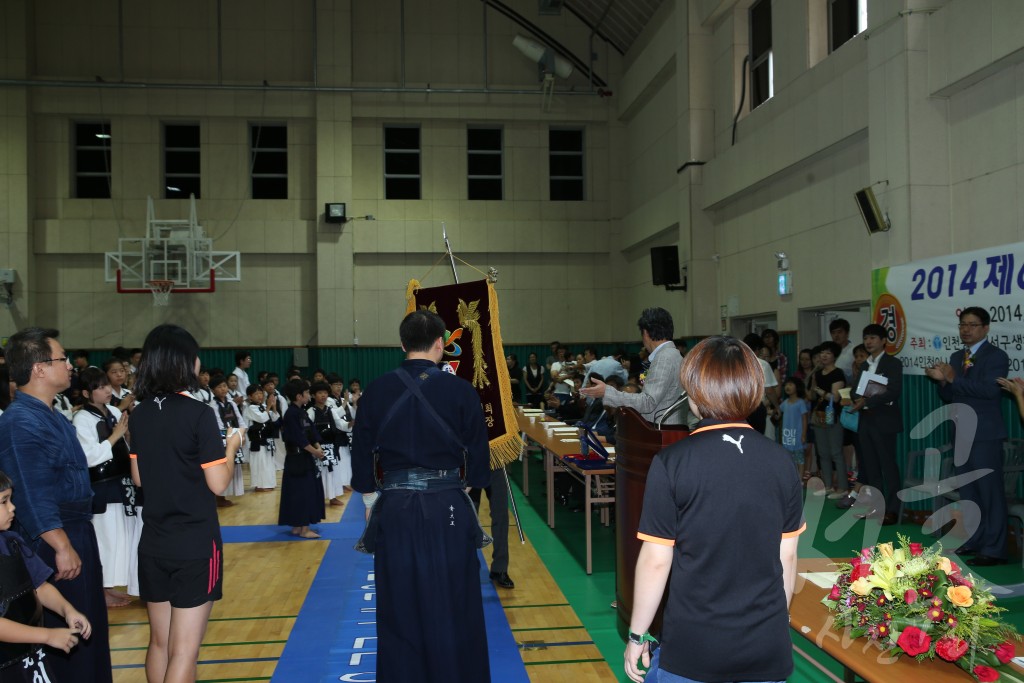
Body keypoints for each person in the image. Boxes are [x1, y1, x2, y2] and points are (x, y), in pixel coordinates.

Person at [624, 336, 803, 683]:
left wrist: (636, 635)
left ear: (695, 392)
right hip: (766, 645)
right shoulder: (781, 462)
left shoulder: (672, 462)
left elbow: (657, 559)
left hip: (695, 646)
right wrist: (773, 626)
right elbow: (788, 558)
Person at [352, 310, 491, 683]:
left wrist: (369, 503)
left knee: (400, 604)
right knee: (455, 601)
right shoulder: (461, 390)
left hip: (394, 507)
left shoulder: (376, 390)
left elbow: (361, 452)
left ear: (402, 345)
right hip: (447, 504)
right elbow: (479, 460)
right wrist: (460, 489)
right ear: (441, 345)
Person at [129, 324, 242, 683]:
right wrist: (232, 447)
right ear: (183, 362)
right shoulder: (198, 413)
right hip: (194, 544)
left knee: (160, 644)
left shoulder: (140, 412)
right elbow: (218, 482)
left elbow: (138, 479)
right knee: (184, 651)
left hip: (153, 543)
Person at [0, 327, 112, 683]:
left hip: (74, 530)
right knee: (66, 637)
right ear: (39, 369)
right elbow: (31, 492)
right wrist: (61, 545)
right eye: (62, 359)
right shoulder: (20, 421)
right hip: (50, 540)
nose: (69, 366)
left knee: (87, 626)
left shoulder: (50, 415)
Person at [925, 307, 1010, 566]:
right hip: (961, 433)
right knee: (969, 493)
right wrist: (942, 381)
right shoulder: (956, 355)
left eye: (972, 325)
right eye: (963, 324)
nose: (966, 329)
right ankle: (974, 540)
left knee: (989, 492)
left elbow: (988, 392)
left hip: (984, 434)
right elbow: (951, 396)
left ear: (985, 328)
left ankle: (995, 549)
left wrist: (952, 378)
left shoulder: (996, 356)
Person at [0, 471, 93, 683]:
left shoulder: (13, 543)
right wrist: (47, 636)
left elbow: (40, 587)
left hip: (28, 659)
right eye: (4, 501)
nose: (12, 507)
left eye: (11, 499)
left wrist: (67, 610)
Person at [72, 367, 140, 608]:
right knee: (105, 538)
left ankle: (109, 586)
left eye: (106, 385)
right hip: (100, 484)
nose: (107, 390)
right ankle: (100, 589)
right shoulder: (82, 419)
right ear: (86, 393)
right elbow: (88, 457)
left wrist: (127, 436)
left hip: (120, 481)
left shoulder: (112, 411)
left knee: (120, 536)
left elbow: (124, 442)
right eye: (100, 387)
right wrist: (115, 436)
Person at [581, 308, 686, 425]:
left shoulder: (664, 357)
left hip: (661, 432)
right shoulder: (675, 355)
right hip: (668, 429)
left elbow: (648, 402)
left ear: (645, 333)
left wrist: (607, 392)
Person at [843, 324, 903, 526]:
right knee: (871, 466)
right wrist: (857, 398)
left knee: (888, 467)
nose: (869, 342)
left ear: (884, 340)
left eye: (873, 338)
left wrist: (866, 401)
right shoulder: (863, 365)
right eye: (866, 338)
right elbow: (854, 391)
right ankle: (877, 508)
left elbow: (894, 391)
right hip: (866, 421)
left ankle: (893, 510)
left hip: (884, 421)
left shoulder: (893, 363)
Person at [278, 379, 325, 539]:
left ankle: (298, 526)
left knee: (302, 491)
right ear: (299, 396)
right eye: (306, 393)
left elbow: (311, 432)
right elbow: (299, 438)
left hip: (305, 456)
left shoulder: (302, 412)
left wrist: (318, 446)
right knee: (302, 492)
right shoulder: (290, 414)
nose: (308, 396)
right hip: (297, 457)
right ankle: (303, 529)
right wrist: (315, 452)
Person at [809, 341, 846, 498]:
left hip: (833, 416)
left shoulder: (838, 373)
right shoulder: (816, 373)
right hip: (818, 417)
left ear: (835, 356)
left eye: (828, 353)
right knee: (823, 453)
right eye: (822, 353)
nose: (823, 356)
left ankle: (843, 488)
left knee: (836, 453)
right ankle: (828, 486)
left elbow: (835, 398)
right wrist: (812, 386)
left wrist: (818, 390)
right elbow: (810, 395)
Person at [243, 383, 279, 492]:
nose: (260, 396)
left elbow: (275, 418)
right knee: (260, 462)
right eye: (256, 394)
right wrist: (268, 407)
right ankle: (260, 485)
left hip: (267, 438)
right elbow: (261, 418)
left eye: (261, 393)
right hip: (256, 439)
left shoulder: (263, 407)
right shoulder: (250, 408)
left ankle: (269, 483)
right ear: (250, 397)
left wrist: (274, 407)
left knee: (268, 462)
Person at [779, 377, 809, 476]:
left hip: (797, 436)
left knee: (799, 458)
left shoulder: (800, 403)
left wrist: (803, 434)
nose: (788, 387)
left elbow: (804, 419)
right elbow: (778, 411)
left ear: (797, 387)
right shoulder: (785, 403)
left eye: (791, 385)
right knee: (788, 458)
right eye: (787, 385)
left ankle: (799, 479)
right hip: (787, 436)